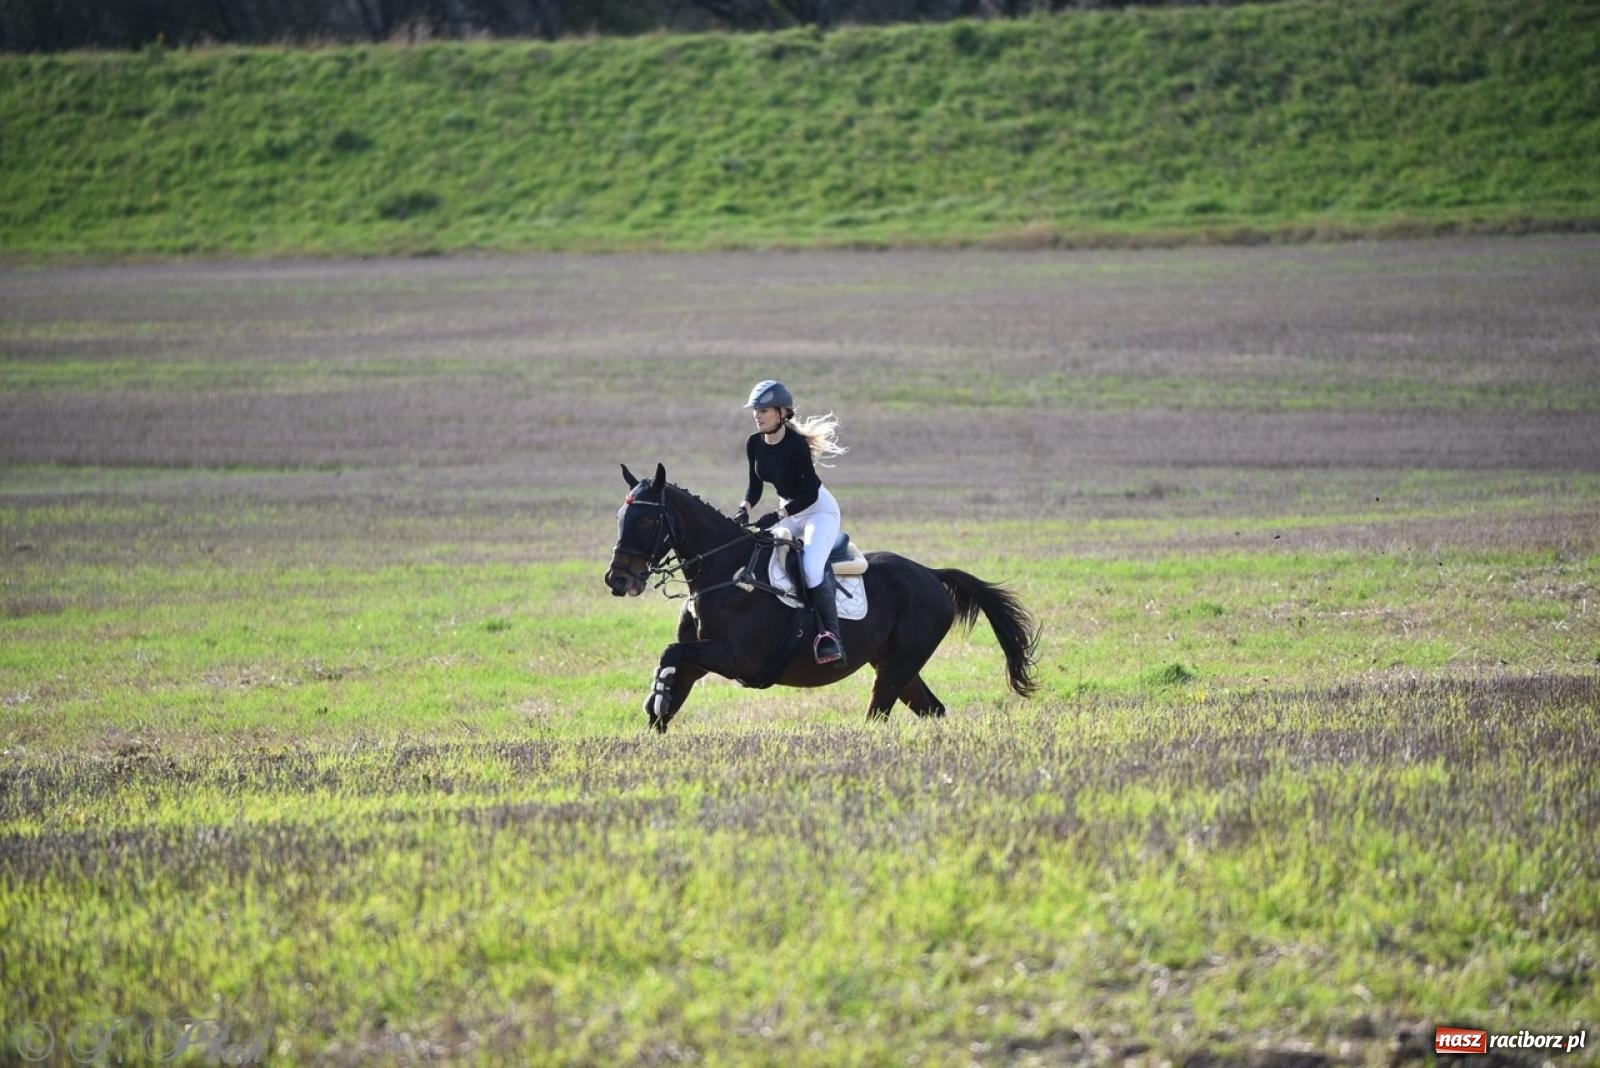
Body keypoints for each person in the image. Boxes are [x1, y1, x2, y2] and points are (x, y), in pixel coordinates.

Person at [735, 380, 849, 667]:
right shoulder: (753, 443)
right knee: (763, 552)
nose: (757, 415)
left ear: (782, 413)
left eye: (764, 410)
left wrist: (780, 515)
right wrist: (744, 508)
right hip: (791, 511)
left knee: (811, 568)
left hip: (818, 511)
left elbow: (809, 493)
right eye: (755, 410)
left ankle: (830, 636)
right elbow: (755, 487)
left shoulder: (796, 445)